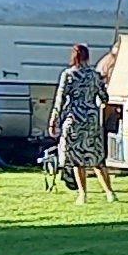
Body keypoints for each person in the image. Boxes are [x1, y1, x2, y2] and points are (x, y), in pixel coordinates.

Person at [49, 41, 116, 203]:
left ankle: (83, 194)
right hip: (92, 119)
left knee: (77, 158)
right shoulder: (95, 75)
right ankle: (109, 193)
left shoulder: (69, 75)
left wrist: (54, 119)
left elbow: (60, 99)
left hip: (75, 118)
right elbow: (105, 98)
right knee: (97, 158)